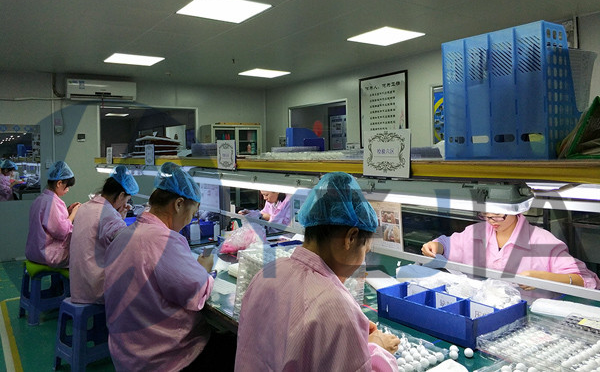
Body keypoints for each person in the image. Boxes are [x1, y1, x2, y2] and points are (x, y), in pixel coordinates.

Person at [235, 172, 400, 372]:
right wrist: (377, 349)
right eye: (365, 250)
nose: (361, 261)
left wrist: (350, 334)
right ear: (351, 238)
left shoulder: (268, 273)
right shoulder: (335, 307)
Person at [103, 162, 231, 372]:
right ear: (179, 204)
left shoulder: (125, 235)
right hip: (161, 358)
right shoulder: (162, 240)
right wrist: (204, 269)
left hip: (126, 352)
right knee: (235, 345)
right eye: (192, 213)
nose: (189, 221)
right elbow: (197, 292)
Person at [421, 212, 600, 289]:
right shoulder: (476, 232)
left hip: (531, 321)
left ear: (516, 210)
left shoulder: (543, 241)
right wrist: (436, 246)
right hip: (485, 311)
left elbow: (587, 281)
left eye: (499, 215)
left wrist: (544, 278)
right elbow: (447, 244)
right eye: (486, 214)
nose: (491, 220)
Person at [69, 165, 139, 304]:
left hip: (78, 284)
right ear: (120, 195)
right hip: (96, 289)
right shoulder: (108, 215)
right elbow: (127, 245)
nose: (126, 204)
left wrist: (119, 216)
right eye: (126, 200)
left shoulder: (85, 207)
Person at [25, 160, 80, 268]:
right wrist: (73, 214)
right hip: (48, 255)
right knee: (81, 254)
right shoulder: (53, 203)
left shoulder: (41, 199)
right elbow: (62, 232)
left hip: (33, 252)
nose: (68, 190)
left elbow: (50, 220)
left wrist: (68, 211)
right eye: (67, 187)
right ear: (59, 183)